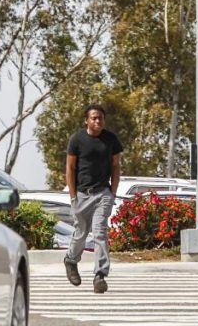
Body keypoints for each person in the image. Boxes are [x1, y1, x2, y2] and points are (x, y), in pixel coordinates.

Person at [63, 103, 123, 294]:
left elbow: (115, 167)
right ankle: (71, 260)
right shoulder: (77, 140)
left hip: (102, 194)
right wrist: (73, 197)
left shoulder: (111, 139)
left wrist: (112, 193)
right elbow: (70, 169)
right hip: (81, 194)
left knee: (100, 233)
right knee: (81, 232)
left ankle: (100, 275)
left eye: (101, 118)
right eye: (94, 118)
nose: (98, 121)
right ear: (86, 120)